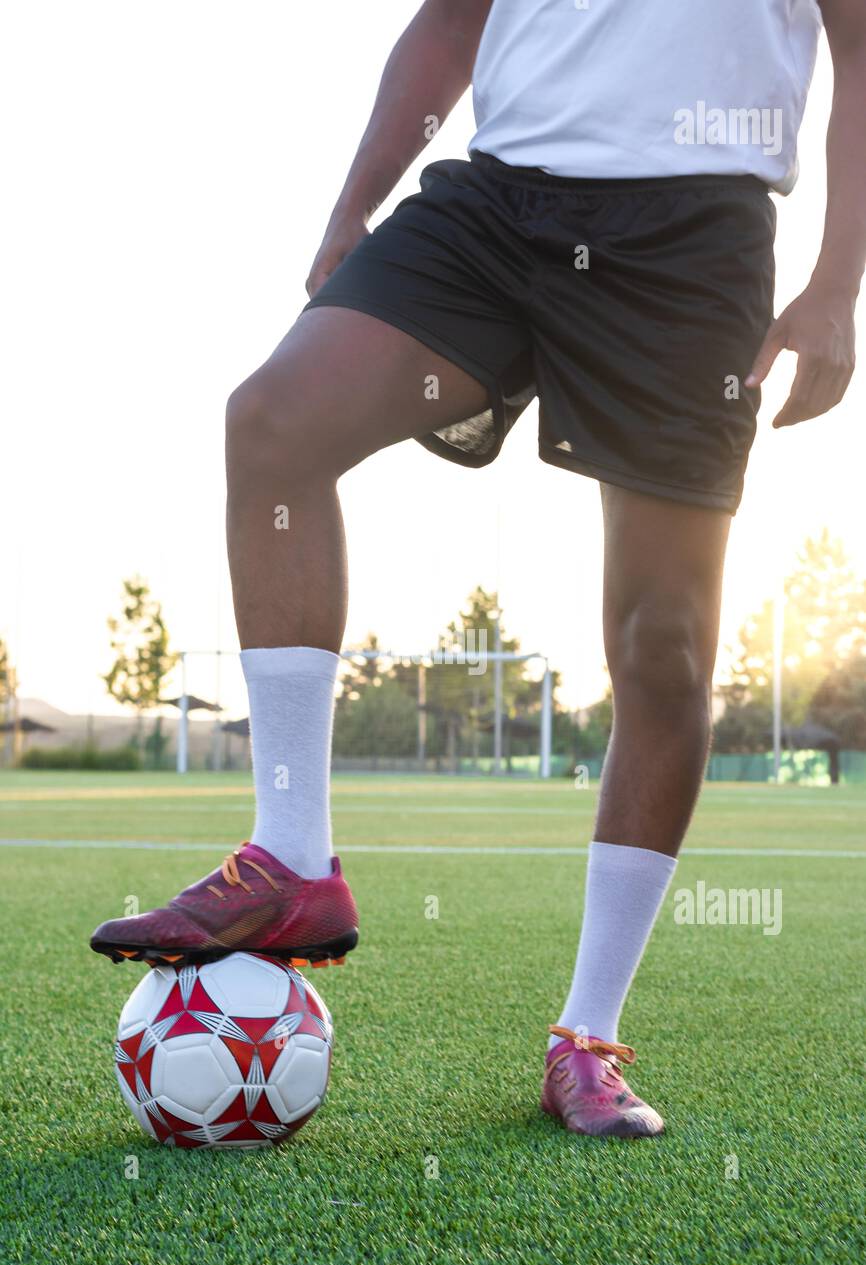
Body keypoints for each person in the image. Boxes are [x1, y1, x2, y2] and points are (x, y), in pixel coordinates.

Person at [92, 0, 863, 1138]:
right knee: (274, 423)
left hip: (690, 240)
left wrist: (835, 283)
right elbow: (450, 23)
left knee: (663, 643)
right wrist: (351, 208)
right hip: (494, 208)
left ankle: (584, 1040)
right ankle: (292, 855)